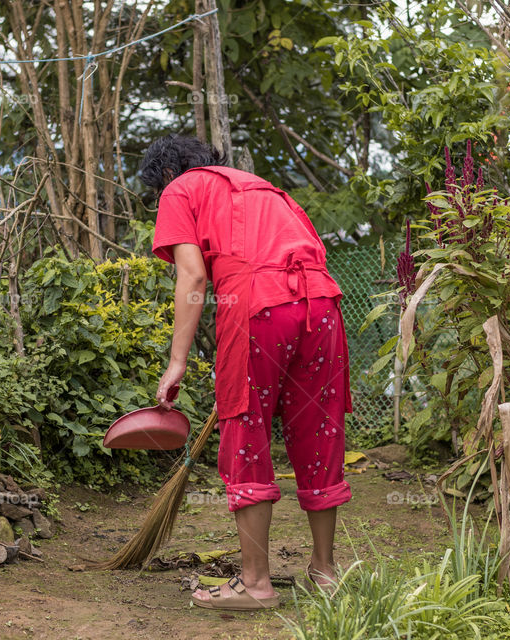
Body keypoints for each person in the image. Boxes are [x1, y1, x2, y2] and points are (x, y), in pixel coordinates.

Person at [140, 134, 352, 611]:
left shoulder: (180, 190)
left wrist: (177, 362)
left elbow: (193, 276)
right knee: (318, 428)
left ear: (164, 176)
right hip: (321, 305)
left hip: (258, 308)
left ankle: (256, 584)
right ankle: (325, 571)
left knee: (246, 428)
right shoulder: (265, 188)